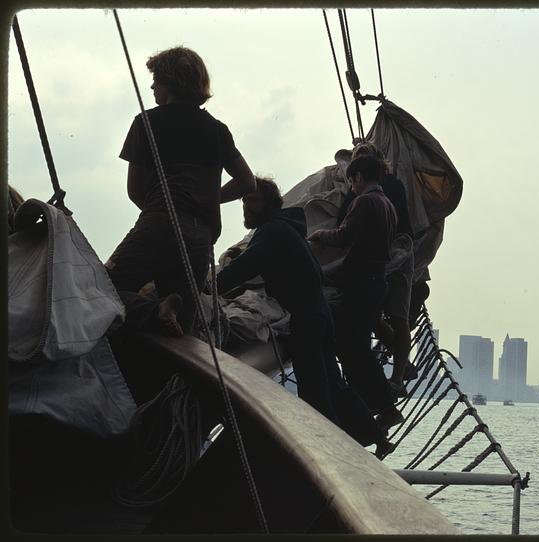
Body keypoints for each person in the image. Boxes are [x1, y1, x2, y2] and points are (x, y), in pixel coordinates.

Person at [216, 177, 394, 457]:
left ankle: (333, 452)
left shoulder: (271, 232)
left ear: (268, 204)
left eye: (252, 200)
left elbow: (245, 268)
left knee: (315, 390)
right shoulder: (288, 229)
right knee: (334, 383)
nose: (246, 208)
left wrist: (210, 287)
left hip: (306, 318)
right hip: (320, 313)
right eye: (244, 201)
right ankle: (375, 436)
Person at [105, 46, 255, 337]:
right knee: (181, 333)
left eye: (156, 79)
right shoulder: (217, 130)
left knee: (100, 291)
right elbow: (247, 182)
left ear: (170, 81)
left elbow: (134, 190)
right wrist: (206, 201)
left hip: (159, 222)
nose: (151, 85)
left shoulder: (146, 122)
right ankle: (167, 314)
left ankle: (154, 310)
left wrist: (163, 216)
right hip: (200, 238)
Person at [308, 155, 403, 431]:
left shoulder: (364, 201)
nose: (350, 187)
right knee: (354, 345)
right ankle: (368, 406)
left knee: (353, 348)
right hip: (375, 282)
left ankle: (382, 406)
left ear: (359, 177)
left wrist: (320, 235)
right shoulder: (387, 205)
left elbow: (344, 236)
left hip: (361, 283)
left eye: (351, 181)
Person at [336, 142, 414, 397]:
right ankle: (393, 367)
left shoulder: (388, 189)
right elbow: (345, 220)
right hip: (376, 264)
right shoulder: (360, 194)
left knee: (398, 316)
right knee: (372, 315)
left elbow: (344, 229)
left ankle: (398, 378)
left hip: (398, 256)